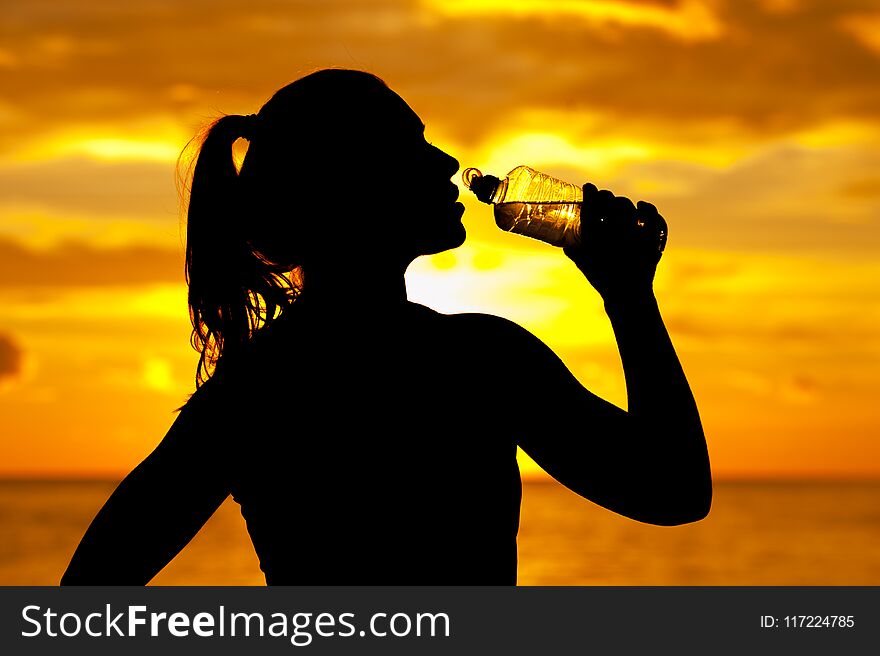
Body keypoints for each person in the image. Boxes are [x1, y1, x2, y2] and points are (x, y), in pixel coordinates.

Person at [60, 69, 711, 585]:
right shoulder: (479, 363)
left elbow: (85, 599)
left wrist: (625, 289)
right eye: (413, 146)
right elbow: (673, 489)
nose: (447, 163)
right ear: (351, 185)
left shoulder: (252, 393)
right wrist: (628, 297)